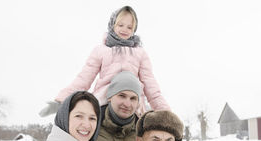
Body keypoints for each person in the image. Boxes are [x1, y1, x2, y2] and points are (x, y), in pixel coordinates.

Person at [39, 5, 170, 118]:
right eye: (121, 25)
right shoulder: (101, 50)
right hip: (104, 103)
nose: (125, 29)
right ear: (113, 25)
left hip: (131, 107)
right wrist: (61, 101)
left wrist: (165, 112)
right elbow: (84, 78)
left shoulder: (140, 53)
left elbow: (151, 85)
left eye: (130, 27)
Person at [91, 70, 141, 141]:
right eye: (122, 96)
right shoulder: (91, 127)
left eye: (133, 98)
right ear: (110, 96)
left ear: (138, 103)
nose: (127, 104)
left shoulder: (142, 135)